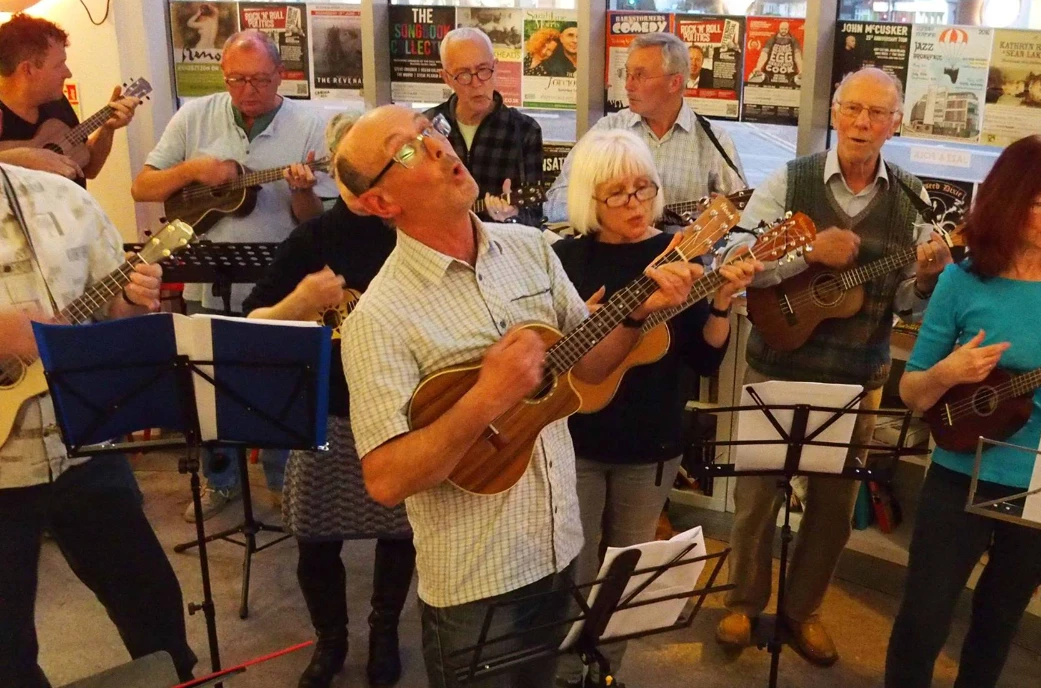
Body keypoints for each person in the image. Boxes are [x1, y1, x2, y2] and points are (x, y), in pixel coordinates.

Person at [334, 104, 699, 688]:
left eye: (432, 132)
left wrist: (633, 317)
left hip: (559, 552)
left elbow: (588, 364)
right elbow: (385, 479)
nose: (437, 148)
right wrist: (486, 397)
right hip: (475, 584)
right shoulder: (379, 317)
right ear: (380, 202)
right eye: (407, 150)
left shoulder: (530, 248)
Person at [715, 67, 952, 666]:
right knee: (755, 500)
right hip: (777, 364)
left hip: (858, 379)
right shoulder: (790, 181)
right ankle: (742, 603)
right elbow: (734, 256)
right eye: (853, 109)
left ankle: (804, 611)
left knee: (832, 511)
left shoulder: (911, 198)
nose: (862, 123)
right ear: (836, 111)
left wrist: (924, 280)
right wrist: (804, 253)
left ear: (895, 124)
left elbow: (903, 297)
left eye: (877, 114)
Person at [883, 134, 1041, 688]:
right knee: (923, 617)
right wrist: (950, 372)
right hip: (960, 473)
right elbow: (913, 393)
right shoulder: (962, 280)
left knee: (998, 622)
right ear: (1008, 199)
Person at [552, 130, 762, 686]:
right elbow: (551, 354)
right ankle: (558, 670)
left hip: (651, 443)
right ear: (588, 200)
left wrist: (719, 301)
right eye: (618, 193)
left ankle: (605, 673)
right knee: (570, 566)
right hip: (574, 438)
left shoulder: (678, 258)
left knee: (628, 570)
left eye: (644, 188)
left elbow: (703, 357)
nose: (636, 203)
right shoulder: (564, 259)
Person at [0, 164, 198, 687]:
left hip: (86, 446)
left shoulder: (65, 201)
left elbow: (113, 316)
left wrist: (130, 303)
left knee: (151, 603)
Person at [131, 30, 335, 521]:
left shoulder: (311, 124)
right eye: (237, 80)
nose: (248, 90)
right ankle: (218, 481)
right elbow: (143, 185)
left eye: (260, 80)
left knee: (281, 388)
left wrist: (302, 190)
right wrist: (197, 168)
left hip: (282, 284)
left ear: (280, 75)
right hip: (208, 278)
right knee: (209, 389)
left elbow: (312, 219)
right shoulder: (194, 116)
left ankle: (286, 486)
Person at [241, 114, 415, 688]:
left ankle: (384, 631)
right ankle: (332, 641)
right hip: (328, 411)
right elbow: (253, 323)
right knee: (315, 536)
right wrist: (301, 299)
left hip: (401, 410)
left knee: (400, 531)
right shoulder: (314, 239)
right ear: (340, 170)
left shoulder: (413, 230)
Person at [545, 32, 746, 223]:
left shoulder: (714, 141)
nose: (628, 85)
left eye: (640, 76)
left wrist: (722, 218)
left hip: (684, 256)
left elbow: (744, 212)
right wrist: (612, 212)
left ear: (674, 82)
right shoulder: (608, 131)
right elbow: (555, 202)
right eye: (628, 74)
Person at [0, 14, 140, 184]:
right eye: (59, 65)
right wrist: (21, 159)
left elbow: (89, 168)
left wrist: (107, 128)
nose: (68, 73)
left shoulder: (56, 101)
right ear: (28, 70)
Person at [425, 27, 544, 227]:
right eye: (463, 74)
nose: (476, 83)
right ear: (446, 78)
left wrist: (513, 215)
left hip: (498, 248)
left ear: (495, 67)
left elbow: (534, 215)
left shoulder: (523, 130)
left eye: (483, 70)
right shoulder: (427, 126)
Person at [747, 21, 802, 86]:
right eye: (782, 29)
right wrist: (758, 67)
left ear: (788, 29)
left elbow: (797, 56)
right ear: (779, 29)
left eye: (785, 29)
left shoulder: (793, 40)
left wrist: (801, 70)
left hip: (789, 73)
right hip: (770, 72)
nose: (783, 31)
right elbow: (764, 54)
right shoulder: (772, 39)